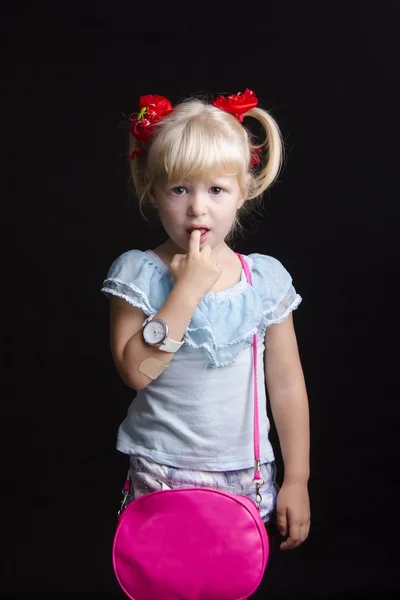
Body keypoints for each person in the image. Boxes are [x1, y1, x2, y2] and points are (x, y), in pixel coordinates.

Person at [101, 89, 310, 552]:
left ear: (243, 192)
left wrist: (298, 478)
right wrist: (187, 290)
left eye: (216, 189)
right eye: (180, 189)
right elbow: (136, 373)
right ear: (152, 192)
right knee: (163, 579)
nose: (198, 208)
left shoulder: (264, 279)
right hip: (159, 468)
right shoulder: (138, 272)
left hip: (245, 473)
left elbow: (286, 381)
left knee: (227, 581)